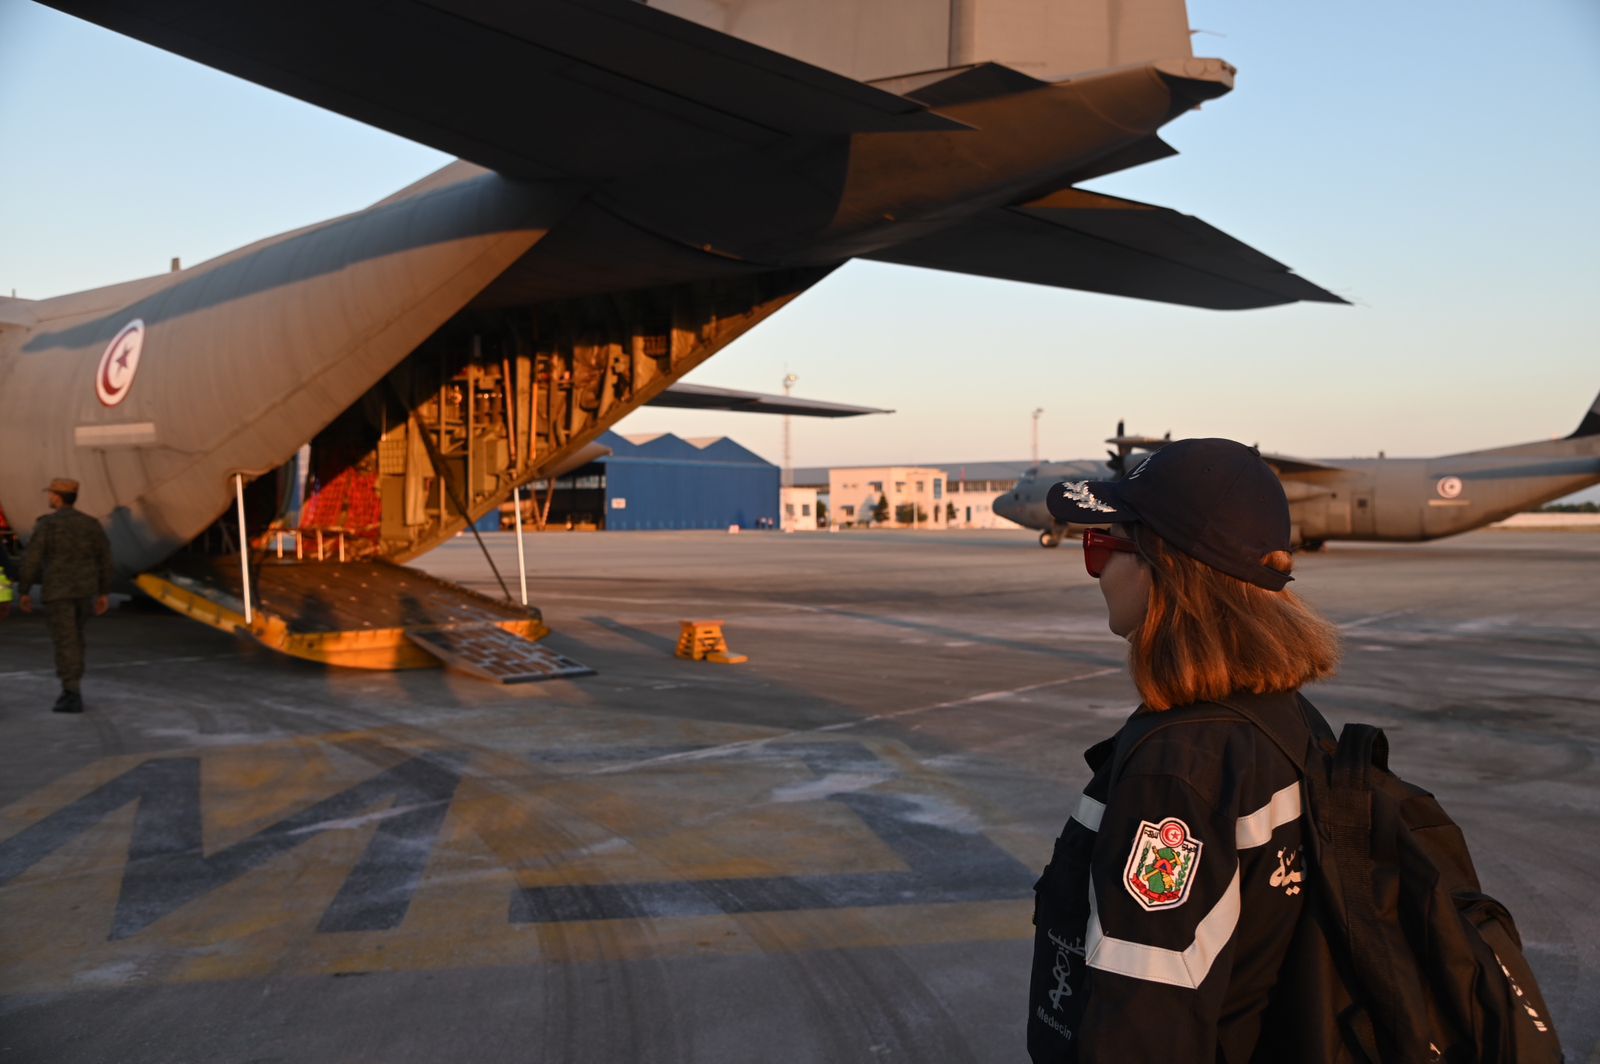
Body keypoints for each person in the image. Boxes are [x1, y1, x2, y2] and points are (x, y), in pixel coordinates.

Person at [1027, 438, 1341, 1062]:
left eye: (1100, 546)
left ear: (1163, 566)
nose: (1095, 572)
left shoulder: (1178, 773)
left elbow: (1143, 1030)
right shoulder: (1291, 722)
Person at [17, 477, 114, 714]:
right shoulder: (91, 524)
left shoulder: (47, 525)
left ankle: (71, 693)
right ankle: (73, 686)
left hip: (58, 592)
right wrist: (103, 592)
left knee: (66, 641)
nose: (49, 497)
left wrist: (25, 590)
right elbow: (105, 558)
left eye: (51, 494)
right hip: (84, 591)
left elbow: (32, 559)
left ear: (57, 497)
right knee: (76, 638)